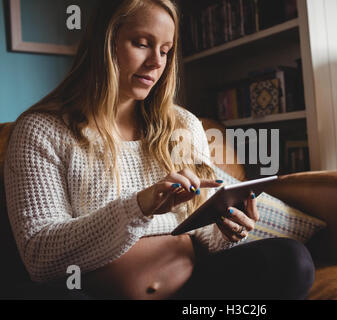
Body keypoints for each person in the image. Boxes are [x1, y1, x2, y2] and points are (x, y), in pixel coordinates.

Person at [4, 0, 314, 300]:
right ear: (105, 43)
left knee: (291, 261)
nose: (156, 63)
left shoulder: (184, 124)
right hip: (91, 292)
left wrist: (227, 230)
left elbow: (204, 235)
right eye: (141, 43)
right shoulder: (40, 130)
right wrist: (138, 207)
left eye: (165, 51)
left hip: (194, 291)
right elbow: (40, 256)